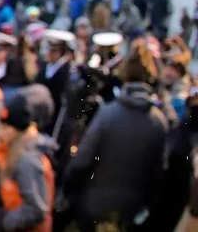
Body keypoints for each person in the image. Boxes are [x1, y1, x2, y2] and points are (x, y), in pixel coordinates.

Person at [61, 40, 169, 232]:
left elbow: (82, 160)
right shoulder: (159, 122)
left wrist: (68, 192)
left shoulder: (109, 114)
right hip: (132, 213)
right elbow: (158, 173)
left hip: (94, 208)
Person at [0, 93, 55, 232]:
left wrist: (4, 221)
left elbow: (36, 209)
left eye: (6, 128)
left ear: (18, 131)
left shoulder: (29, 160)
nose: (0, 133)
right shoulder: (8, 150)